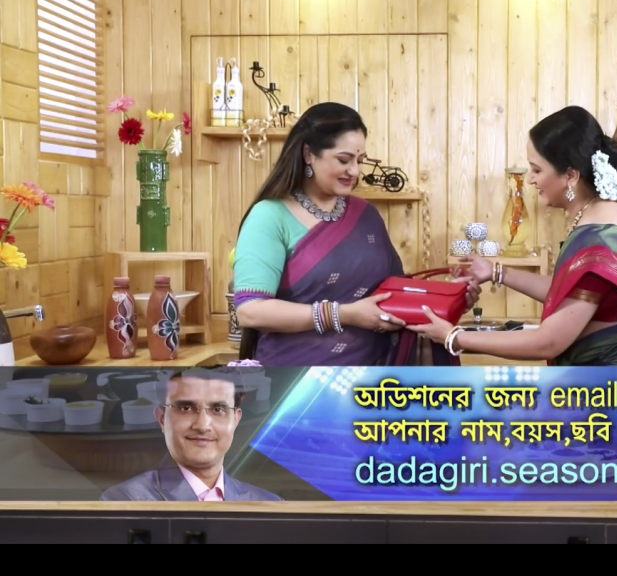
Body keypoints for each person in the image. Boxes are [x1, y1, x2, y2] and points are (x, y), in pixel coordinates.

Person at [409, 106, 617, 366]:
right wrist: (496, 271)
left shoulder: (598, 238)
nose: (532, 179)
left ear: (570, 175)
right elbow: (571, 294)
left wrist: (453, 337)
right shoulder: (608, 213)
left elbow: (548, 341)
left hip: (608, 397)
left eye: (537, 169)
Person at [232, 102, 481, 366]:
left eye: (359, 161)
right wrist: (343, 315)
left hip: (376, 382)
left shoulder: (365, 214)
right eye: (343, 160)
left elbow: (393, 294)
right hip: (297, 383)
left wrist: (448, 299)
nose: (354, 171)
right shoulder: (269, 216)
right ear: (308, 154)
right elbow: (251, 311)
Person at [100, 369, 281, 501]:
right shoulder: (124, 501)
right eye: (186, 408)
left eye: (218, 409)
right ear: (162, 419)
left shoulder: (271, 504)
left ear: (235, 420)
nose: (202, 425)